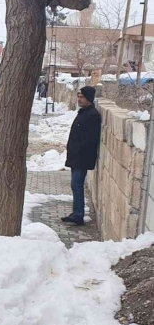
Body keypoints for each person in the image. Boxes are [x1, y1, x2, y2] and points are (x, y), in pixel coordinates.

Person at [62, 86, 101, 226]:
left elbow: (91, 139)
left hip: (82, 157)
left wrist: (78, 150)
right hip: (76, 156)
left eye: (82, 97)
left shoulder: (93, 115)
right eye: (78, 96)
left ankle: (79, 214)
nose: (79, 99)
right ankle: (76, 212)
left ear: (88, 98)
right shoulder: (83, 113)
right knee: (75, 185)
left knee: (77, 184)